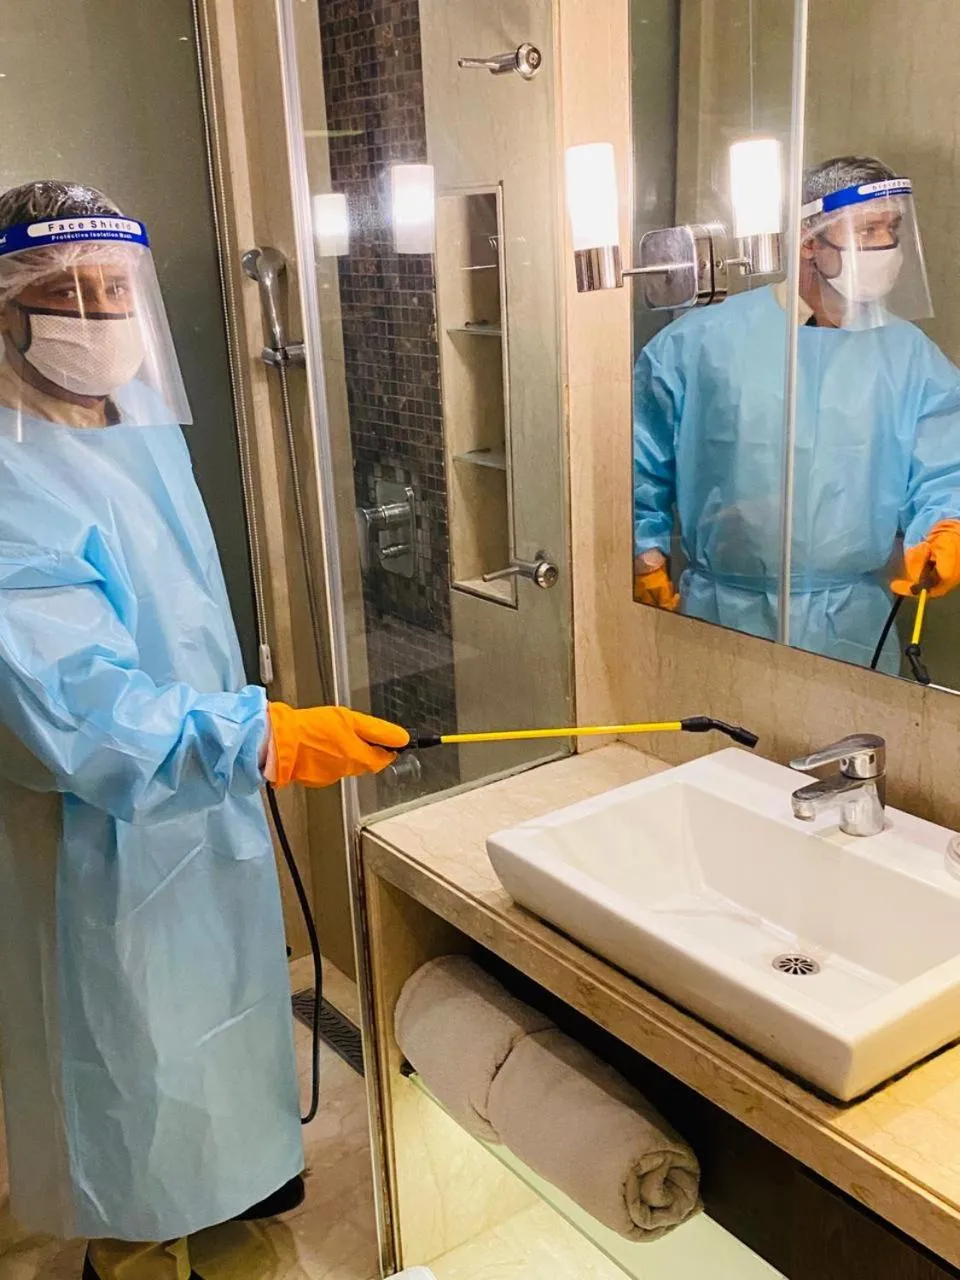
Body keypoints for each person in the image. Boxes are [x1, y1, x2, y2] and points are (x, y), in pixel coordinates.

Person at [0, 180, 409, 1280]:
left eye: (113, 285)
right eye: (63, 289)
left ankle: (215, 1189)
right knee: (126, 1044)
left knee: (213, 1012)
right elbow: (72, 710)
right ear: (5, 310)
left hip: (198, 809)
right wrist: (258, 738)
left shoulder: (134, 435)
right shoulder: (8, 477)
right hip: (103, 841)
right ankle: (126, 1247)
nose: (98, 310)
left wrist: (241, 740)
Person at [633, 155, 960, 672]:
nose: (885, 246)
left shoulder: (909, 355)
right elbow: (638, 460)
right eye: (868, 229)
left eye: (892, 229)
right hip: (722, 613)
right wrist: (642, 552)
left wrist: (947, 528)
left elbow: (946, 465)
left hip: (853, 622)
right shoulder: (700, 343)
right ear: (810, 240)